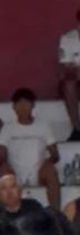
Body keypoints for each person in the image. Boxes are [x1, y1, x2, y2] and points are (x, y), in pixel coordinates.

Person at [0, 88, 61, 211]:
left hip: (39, 172)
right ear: (14, 107)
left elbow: (55, 155)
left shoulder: (43, 126)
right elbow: (0, 155)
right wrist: (3, 162)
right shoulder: (7, 128)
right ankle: (4, 215)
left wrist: (48, 162)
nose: (23, 107)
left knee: (51, 171)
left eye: (26, 103)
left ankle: (56, 214)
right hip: (15, 173)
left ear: (33, 105)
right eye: (19, 104)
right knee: (3, 172)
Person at [58, 9, 80, 142]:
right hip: (76, 81)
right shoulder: (68, 39)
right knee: (69, 85)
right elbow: (67, 69)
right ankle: (77, 129)